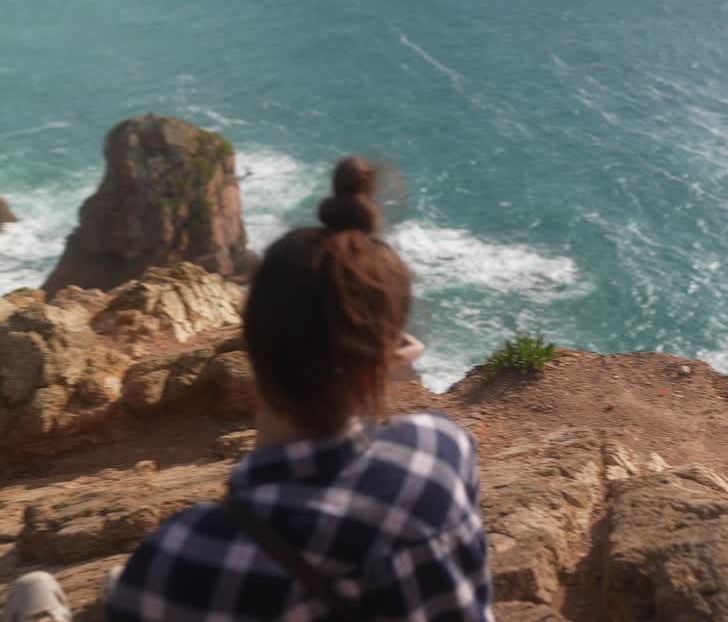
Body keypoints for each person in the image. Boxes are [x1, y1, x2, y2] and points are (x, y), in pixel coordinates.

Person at [1, 157, 492, 622]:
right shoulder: (440, 455)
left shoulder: (180, 557)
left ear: (250, 342)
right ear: (387, 356)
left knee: (53, 590)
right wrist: (377, 365)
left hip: (168, 595)